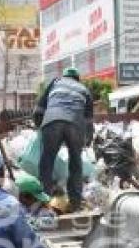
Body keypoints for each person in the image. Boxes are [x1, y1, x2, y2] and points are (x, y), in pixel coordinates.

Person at [33, 67, 94, 211]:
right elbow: (89, 121)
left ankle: (45, 203)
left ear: (64, 76)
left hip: (52, 122)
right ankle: (75, 204)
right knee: (75, 165)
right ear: (77, 79)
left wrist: (39, 127)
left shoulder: (55, 82)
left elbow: (38, 110)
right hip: (75, 124)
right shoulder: (84, 89)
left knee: (46, 163)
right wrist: (88, 138)